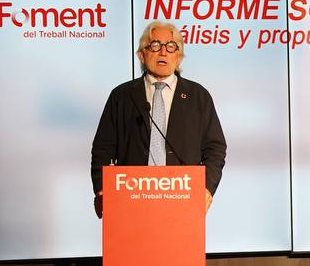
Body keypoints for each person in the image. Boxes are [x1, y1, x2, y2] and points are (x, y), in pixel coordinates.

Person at [90, 20, 227, 218]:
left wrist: (206, 187)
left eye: (171, 46)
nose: (163, 52)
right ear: (142, 54)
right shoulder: (122, 96)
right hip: (131, 199)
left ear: (179, 57)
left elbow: (215, 148)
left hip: (182, 198)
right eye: (155, 45)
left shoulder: (198, 96)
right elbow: (103, 148)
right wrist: (102, 188)